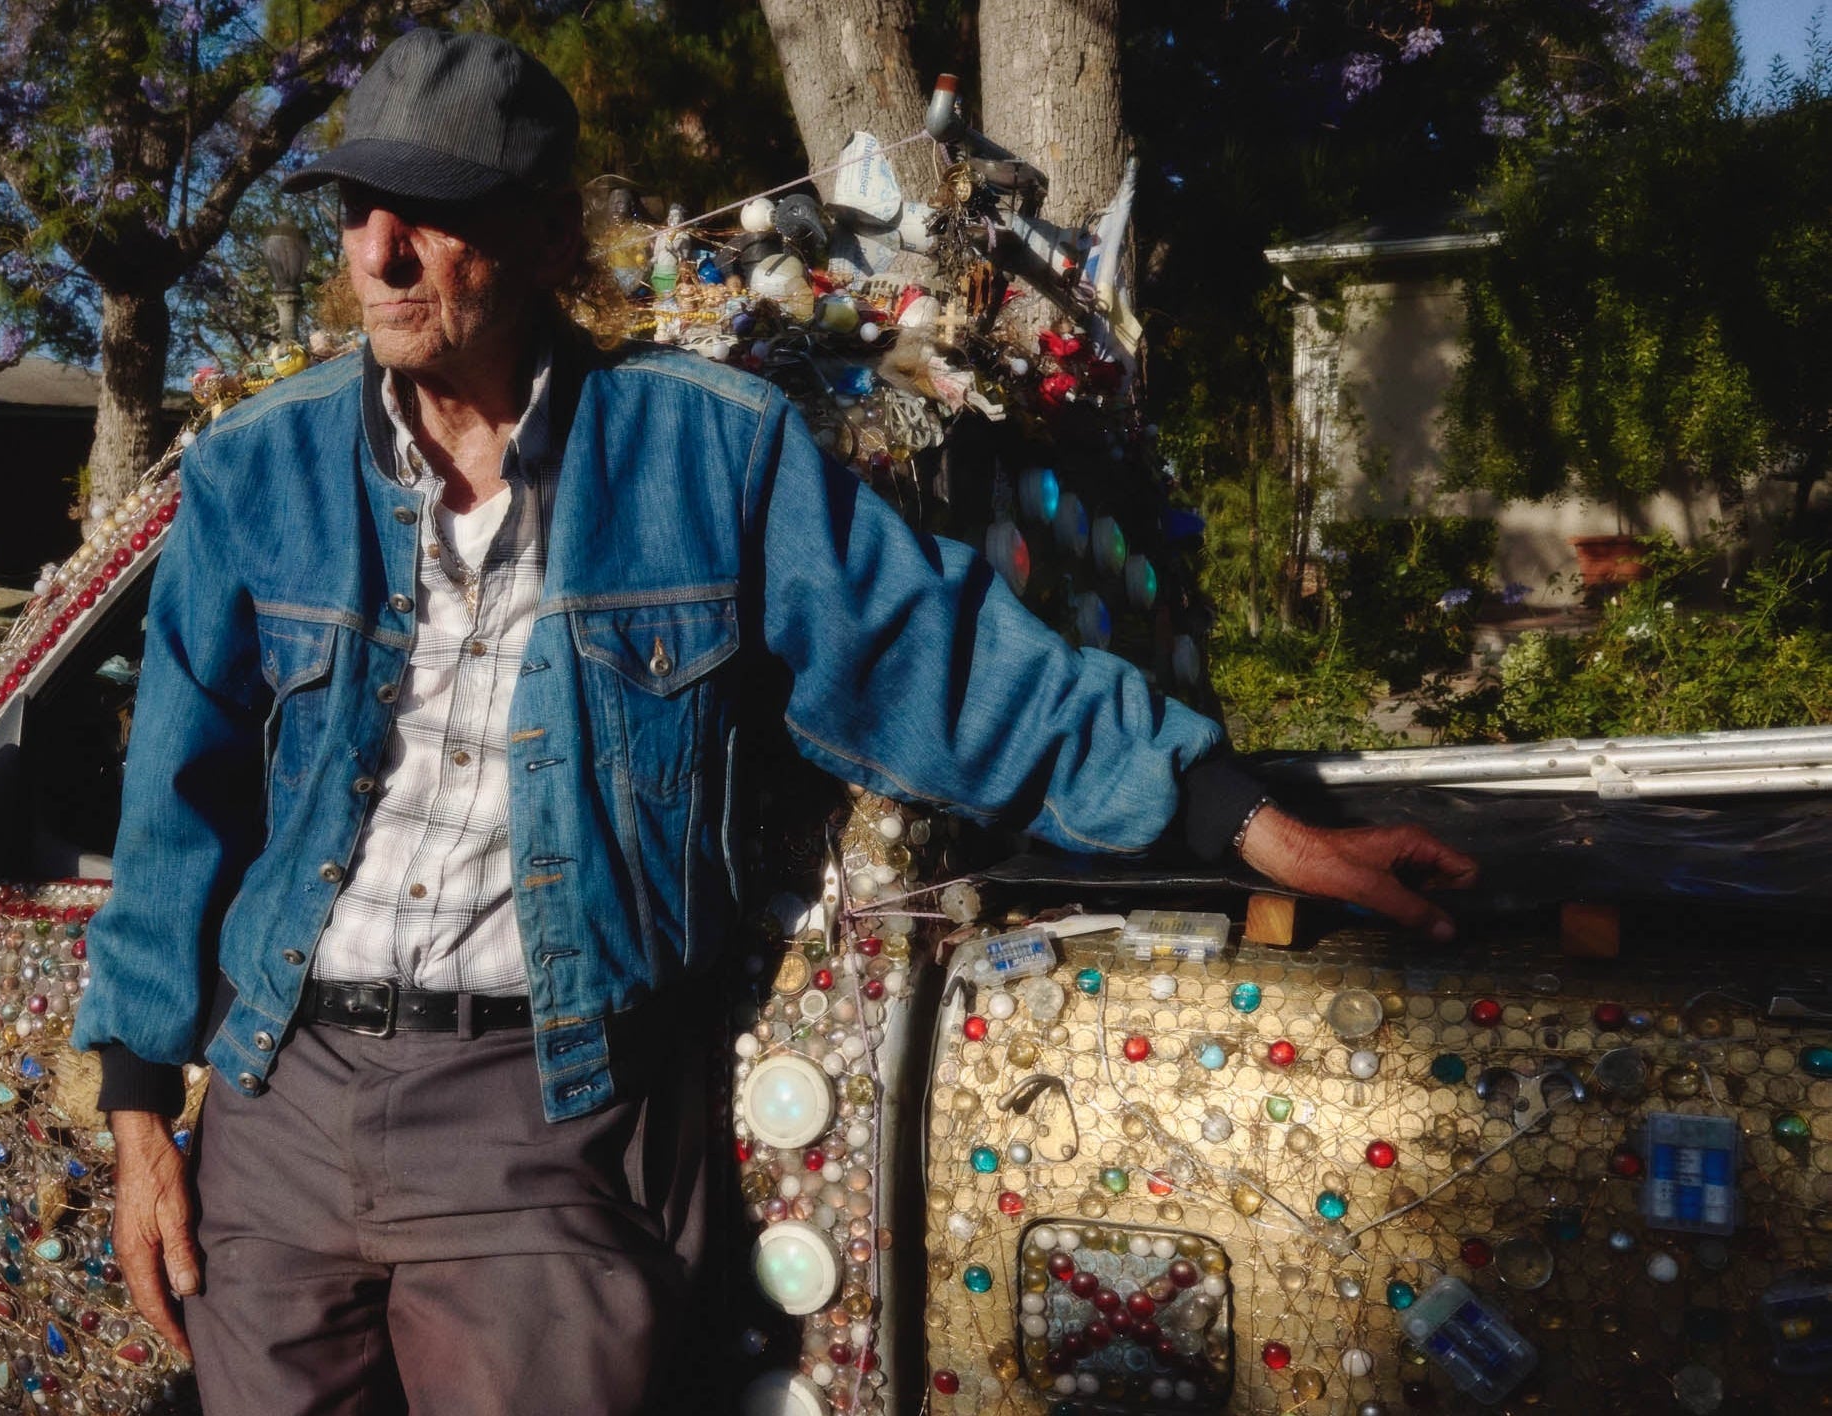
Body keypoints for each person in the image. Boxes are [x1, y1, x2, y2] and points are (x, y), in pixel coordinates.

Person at [73, 26, 1478, 1416]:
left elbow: (939, 661)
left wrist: (1256, 825)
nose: (379, 254)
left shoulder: (706, 452)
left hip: (541, 1113)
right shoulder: (259, 467)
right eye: (360, 212)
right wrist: (143, 1116)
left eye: (433, 217)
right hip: (277, 1103)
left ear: (552, 238)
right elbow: (173, 795)